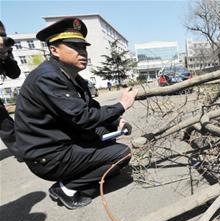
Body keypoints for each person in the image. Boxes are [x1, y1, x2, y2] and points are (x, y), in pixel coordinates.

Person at [15, 17, 138, 210]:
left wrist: (115, 123)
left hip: (60, 144)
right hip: (47, 156)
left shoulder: (70, 76)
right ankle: (66, 188)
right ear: (54, 50)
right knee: (122, 154)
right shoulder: (47, 78)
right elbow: (82, 117)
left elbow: (91, 108)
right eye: (75, 47)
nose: (83, 52)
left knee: (109, 143)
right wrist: (122, 105)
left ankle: (77, 176)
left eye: (84, 47)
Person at [0, 20, 21, 160]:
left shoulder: (5, 50)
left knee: (5, 123)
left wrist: (5, 55)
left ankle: (22, 151)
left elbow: (14, 74)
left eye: (3, 34)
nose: (2, 38)